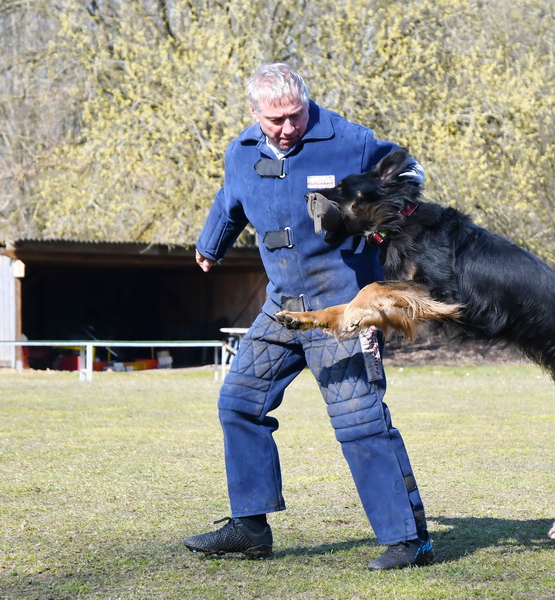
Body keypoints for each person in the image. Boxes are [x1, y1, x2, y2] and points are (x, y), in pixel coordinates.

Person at [183, 63, 433, 571]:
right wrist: (210, 246)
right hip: (283, 310)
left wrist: (380, 214)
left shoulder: (350, 140)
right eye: (274, 119)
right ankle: (249, 527)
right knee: (239, 403)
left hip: (343, 310)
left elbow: (413, 173)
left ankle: (409, 540)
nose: (286, 127)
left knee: (360, 422)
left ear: (306, 105)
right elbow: (229, 203)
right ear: (255, 115)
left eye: (294, 116)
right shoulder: (243, 152)